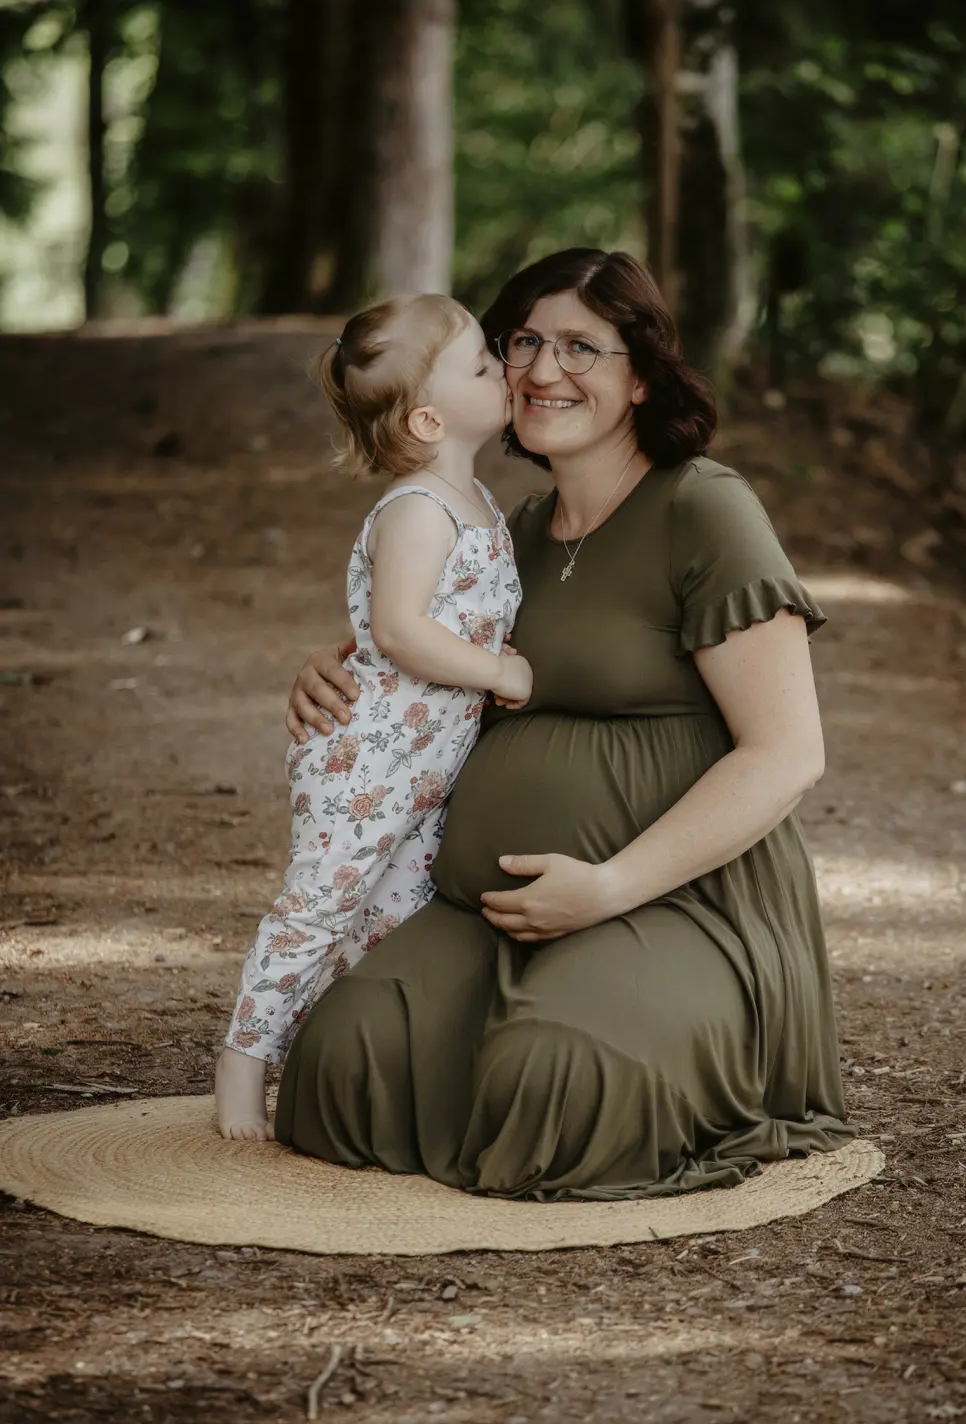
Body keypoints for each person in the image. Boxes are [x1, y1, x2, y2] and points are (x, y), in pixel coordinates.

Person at [275, 248, 855, 1198]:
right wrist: (328, 671)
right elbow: (422, 655)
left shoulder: (705, 510)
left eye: (582, 347)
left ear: (638, 378)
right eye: (524, 342)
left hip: (677, 904)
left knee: (558, 1073)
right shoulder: (510, 533)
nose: (544, 370)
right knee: (339, 1061)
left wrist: (610, 884)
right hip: (483, 913)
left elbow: (788, 754)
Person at [215, 294, 526, 1140]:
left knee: (390, 918)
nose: (503, 370)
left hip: (428, 766)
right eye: (481, 365)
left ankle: (335, 1054)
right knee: (319, 904)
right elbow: (396, 628)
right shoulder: (417, 510)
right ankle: (243, 1063)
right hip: (368, 761)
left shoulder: (480, 505)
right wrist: (499, 669)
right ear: (429, 418)